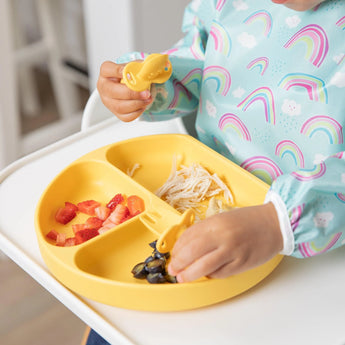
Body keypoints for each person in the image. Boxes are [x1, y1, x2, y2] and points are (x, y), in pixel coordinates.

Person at [96, 0, 345, 288]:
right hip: (207, 204)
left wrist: (276, 223)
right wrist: (147, 86)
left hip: (315, 254)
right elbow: (199, 66)